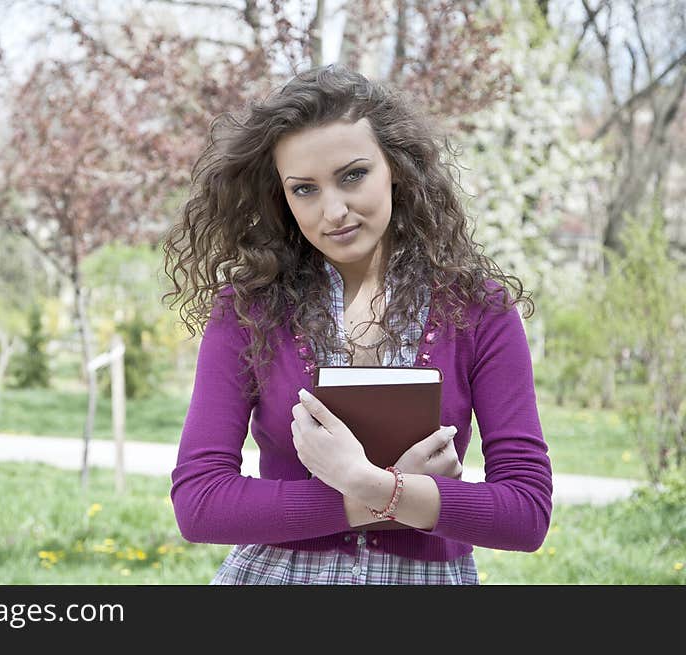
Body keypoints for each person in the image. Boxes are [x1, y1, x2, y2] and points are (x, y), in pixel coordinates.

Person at [162, 64, 552, 585]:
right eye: (305, 189)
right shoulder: (247, 310)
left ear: (397, 168)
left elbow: (525, 514)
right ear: (282, 196)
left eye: (353, 175)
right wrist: (376, 493)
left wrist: (364, 482)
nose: (334, 210)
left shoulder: (479, 310)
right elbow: (201, 502)